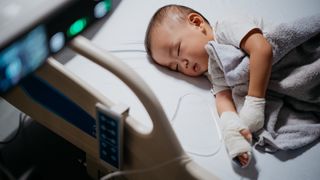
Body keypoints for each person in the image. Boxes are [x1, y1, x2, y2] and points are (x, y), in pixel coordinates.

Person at [144, 4, 273, 167]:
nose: (183, 64)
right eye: (175, 67)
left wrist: (254, 103)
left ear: (197, 23)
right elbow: (223, 97)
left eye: (178, 51)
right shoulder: (212, 69)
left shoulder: (226, 29)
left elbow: (262, 49)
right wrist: (232, 132)